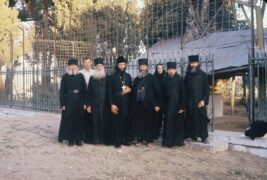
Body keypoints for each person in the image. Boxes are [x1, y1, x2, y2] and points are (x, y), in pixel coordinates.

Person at [131, 58, 161, 146]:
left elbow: (158, 92)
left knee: (148, 122)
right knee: (139, 122)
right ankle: (139, 138)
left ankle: (147, 140)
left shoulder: (152, 78)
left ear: (147, 67)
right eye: (141, 67)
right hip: (138, 104)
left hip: (149, 105)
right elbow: (134, 92)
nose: (142, 68)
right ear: (139, 68)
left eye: (144, 66)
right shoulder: (137, 79)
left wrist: (157, 104)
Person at [58, 58, 87, 146]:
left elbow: (85, 91)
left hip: (79, 100)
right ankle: (70, 140)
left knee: (79, 120)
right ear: (68, 67)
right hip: (68, 101)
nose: (73, 67)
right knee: (69, 120)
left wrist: (85, 103)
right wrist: (62, 104)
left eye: (74, 66)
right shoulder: (65, 77)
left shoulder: (81, 76)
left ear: (77, 66)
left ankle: (78, 139)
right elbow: (62, 91)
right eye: (71, 66)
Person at [108, 56, 132, 148]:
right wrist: (111, 104)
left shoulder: (128, 76)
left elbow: (131, 89)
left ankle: (124, 139)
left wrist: (130, 90)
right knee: (116, 122)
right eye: (120, 64)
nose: (122, 66)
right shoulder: (112, 77)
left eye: (123, 64)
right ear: (117, 65)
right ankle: (116, 141)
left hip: (126, 102)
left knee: (125, 121)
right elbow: (109, 92)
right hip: (116, 102)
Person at [184, 55, 209, 144]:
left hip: (200, 101)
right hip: (190, 101)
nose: (193, 65)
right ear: (190, 64)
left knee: (202, 118)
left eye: (195, 63)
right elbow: (185, 90)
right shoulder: (187, 75)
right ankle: (193, 136)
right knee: (191, 118)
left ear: (198, 63)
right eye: (192, 63)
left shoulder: (203, 75)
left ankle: (204, 137)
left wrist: (203, 101)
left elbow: (206, 90)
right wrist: (186, 102)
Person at [86, 58, 110, 145]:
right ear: (95, 67)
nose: (99, 68)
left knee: (104, 121)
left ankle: (103, 139)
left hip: (105, 104)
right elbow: (89, 93)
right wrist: (88, 105)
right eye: (97, 66)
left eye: (100, 66)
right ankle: (96, 140)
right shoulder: (92, 78)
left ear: (103, 67)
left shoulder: (108, 78)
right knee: (95, 122)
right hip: (95, 104)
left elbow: (110, 92)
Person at [162, 62, 186, 148]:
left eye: (172, 69)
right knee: (168, 124)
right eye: (169, 69)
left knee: (177, 125)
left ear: (175, 70)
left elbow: (183, 94)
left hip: (177, 106)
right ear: (167, 70)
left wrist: (182, 106)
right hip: (168, 106)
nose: (171, 71)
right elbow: (162, 94)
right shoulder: (165, 79)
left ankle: (176, 143)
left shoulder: (180, 79)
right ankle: (167, 143)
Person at [80, 56, 95, 144]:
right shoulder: (80, 73)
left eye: (88, 62)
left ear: (91, 63)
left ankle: (90, 136)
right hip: (83, 97)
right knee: (83, 117)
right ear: (83, 63)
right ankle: (82, 136)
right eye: (85, 62)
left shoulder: (95, 72)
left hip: (92, 97)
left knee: (91, 117)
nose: (87, 64)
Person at [153, 63, 166, 140]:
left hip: (165, 101)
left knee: (167, 118)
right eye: (158, 68)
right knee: (157, 119)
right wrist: (155, 104)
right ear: (156, 69)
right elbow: (152, 92)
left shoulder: (166, 76)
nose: (159, 69)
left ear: (163, 68)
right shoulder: (154, 77)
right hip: (157, 102)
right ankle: (156, 133)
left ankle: (165, 133)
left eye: (161, 68)